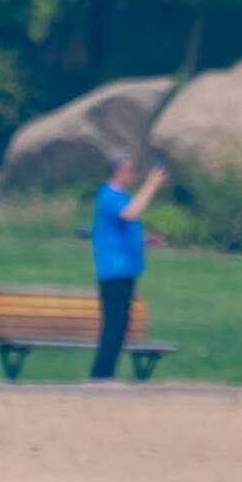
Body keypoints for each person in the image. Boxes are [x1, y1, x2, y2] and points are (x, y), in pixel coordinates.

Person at [89, 152, 169, 380]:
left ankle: (105, 371)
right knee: (115, 322)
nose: (134, 174)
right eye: (130, 170)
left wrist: (144, 240)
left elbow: (122, 227)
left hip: (125, 268)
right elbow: (131, 213)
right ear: (118, 172)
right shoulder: (110, 195)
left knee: (120, 322)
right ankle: (102, 373)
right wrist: (152, 184)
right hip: (114, 269)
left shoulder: (121, 197)